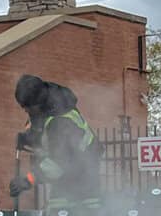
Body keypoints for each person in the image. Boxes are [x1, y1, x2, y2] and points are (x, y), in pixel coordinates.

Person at [11, 74, 100, 207]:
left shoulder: (60, 122)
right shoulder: (48, 109)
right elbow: (46, 138)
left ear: (37, 103)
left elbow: (59, 162)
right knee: (55, 215)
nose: (25, 110)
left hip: (82, 187)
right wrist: (29, 138)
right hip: (67, 182)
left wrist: (28, 180)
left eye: (27, 106)